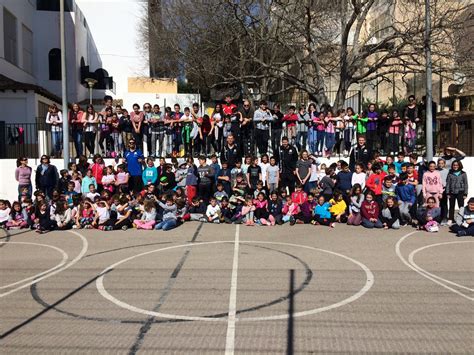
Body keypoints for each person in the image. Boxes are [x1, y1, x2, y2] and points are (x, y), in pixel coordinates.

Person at [446, 160, 468, 224]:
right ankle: (450, 219)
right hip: (452, 193)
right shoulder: (450, 173)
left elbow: (466, 184)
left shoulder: (463, 173)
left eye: (456, 165)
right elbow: (448, 183)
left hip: (460, 192)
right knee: (451, 206)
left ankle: (461, 219)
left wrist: (465, 193)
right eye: (454, 165)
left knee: (461, 207)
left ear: (459, 165)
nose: (455, 166)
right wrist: (447, 193)